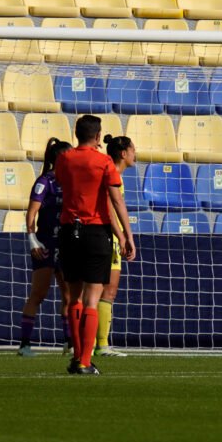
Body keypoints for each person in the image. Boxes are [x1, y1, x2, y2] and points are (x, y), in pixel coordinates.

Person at [56, 115, 136, 375]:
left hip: (69, 231)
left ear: (76, 133)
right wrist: (127, 236)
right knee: (92, 298)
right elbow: (116, 201)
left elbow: (64, 185)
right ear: (98, 136)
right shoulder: (103, 162)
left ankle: (78, 356)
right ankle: (84, 362)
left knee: (75, 298)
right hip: (95, 232)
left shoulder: (64, 159)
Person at [17, 138, 72, 357]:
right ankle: (25, 345)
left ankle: (69, 343)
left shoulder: (72, 181)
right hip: (45, 244)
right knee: (38, 294)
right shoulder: (45, 181)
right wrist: (32, 240)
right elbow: (31, 213)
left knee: (68, 296)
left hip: (66, 244)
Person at [95, 134, 137, 358]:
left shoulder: (110, 172)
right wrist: (122, 236)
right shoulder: (112, 175)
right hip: (107, 237)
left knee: (97, 292)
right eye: (132, 150)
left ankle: (92, 343)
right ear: (123, 153)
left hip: (103, 235)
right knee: (105, 292)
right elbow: (109, 209)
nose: (135, 154)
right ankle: (100, 344)